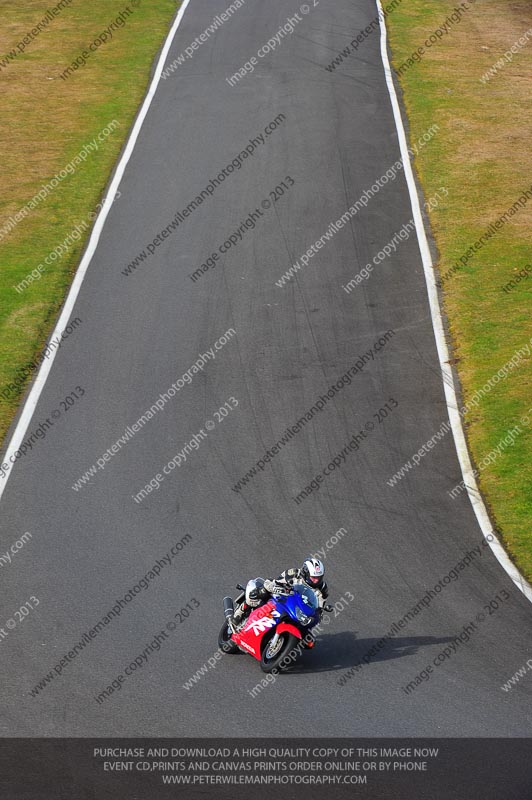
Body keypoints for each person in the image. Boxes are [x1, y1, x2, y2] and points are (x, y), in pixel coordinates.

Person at [233, 557, 328, 625]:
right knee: (261, 592)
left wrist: (318, 614)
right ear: (305, 572)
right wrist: (273, 588)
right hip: (283, 597)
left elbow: (320, 607)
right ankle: (239, 613)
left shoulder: (322, 588)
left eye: (319, 578)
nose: (316, 580)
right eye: (313, 577)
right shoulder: (293, 573)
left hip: (301, 607)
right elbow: (276, 582)